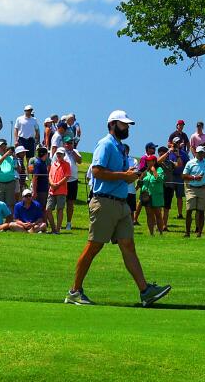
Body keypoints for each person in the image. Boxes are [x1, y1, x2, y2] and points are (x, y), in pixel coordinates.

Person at [65, 110, 170, 307]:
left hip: (121, 203)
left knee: (128, 246)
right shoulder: (105, 144)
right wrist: (124, 175)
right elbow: (96, 171)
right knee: (93, 246)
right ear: (113, 124)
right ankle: (74, 291)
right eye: (123, 124)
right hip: (104, 202)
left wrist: (131, 174)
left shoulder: (120, 147)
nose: (127, 127)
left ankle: (145, 292)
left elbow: (119, 173)